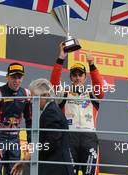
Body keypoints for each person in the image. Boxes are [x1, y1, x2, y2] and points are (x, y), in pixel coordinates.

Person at [50, 43, 104, 175]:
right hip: (69, 137)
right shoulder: (64, 93)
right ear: (70, 78)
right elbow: (53, 85)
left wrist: (91, 64)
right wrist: (61, 58)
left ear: (85, 77)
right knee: (68, 172)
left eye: (80, 75)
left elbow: (100, 91)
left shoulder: (92, 93)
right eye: (74, 75)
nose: (77, 78)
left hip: (89, 137)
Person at [11, 78, 74, 175]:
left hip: (56, 169)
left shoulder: (51, 112)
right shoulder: (51, 110)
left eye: (34, 97)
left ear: (45, 95)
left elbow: (51, 142)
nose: (31, 101)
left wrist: (31, 155)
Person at [0, 62, 32, 175]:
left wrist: (30, 144)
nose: (16, 81)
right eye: (13, 77)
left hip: (15, 141)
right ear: (7, 77)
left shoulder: (26, 94)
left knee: (15, 172)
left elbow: (30, 122)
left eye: (19, 77)